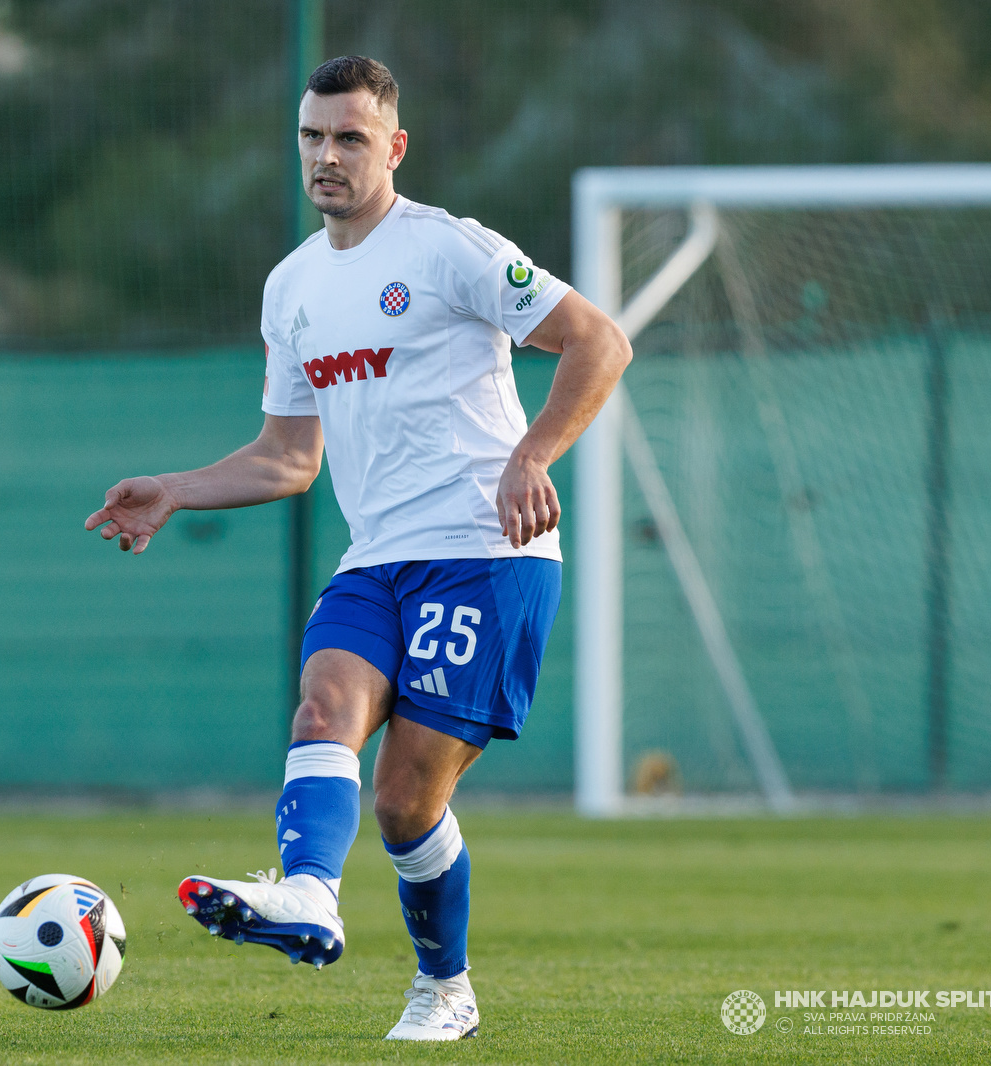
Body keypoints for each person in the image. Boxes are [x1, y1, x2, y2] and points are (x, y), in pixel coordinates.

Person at [85, 56, 630, 1040]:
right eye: (311, 137)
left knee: (402, 797)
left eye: (348, 137)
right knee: (323, 704)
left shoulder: (450, 250)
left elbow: (600, 340)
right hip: (376, 558)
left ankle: (444, 989)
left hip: (486, 553)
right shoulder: (290, 286)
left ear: (394, 146)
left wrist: (531, 455)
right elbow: (289, 457)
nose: (326, 156)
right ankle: (307, 894)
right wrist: (174, 488)